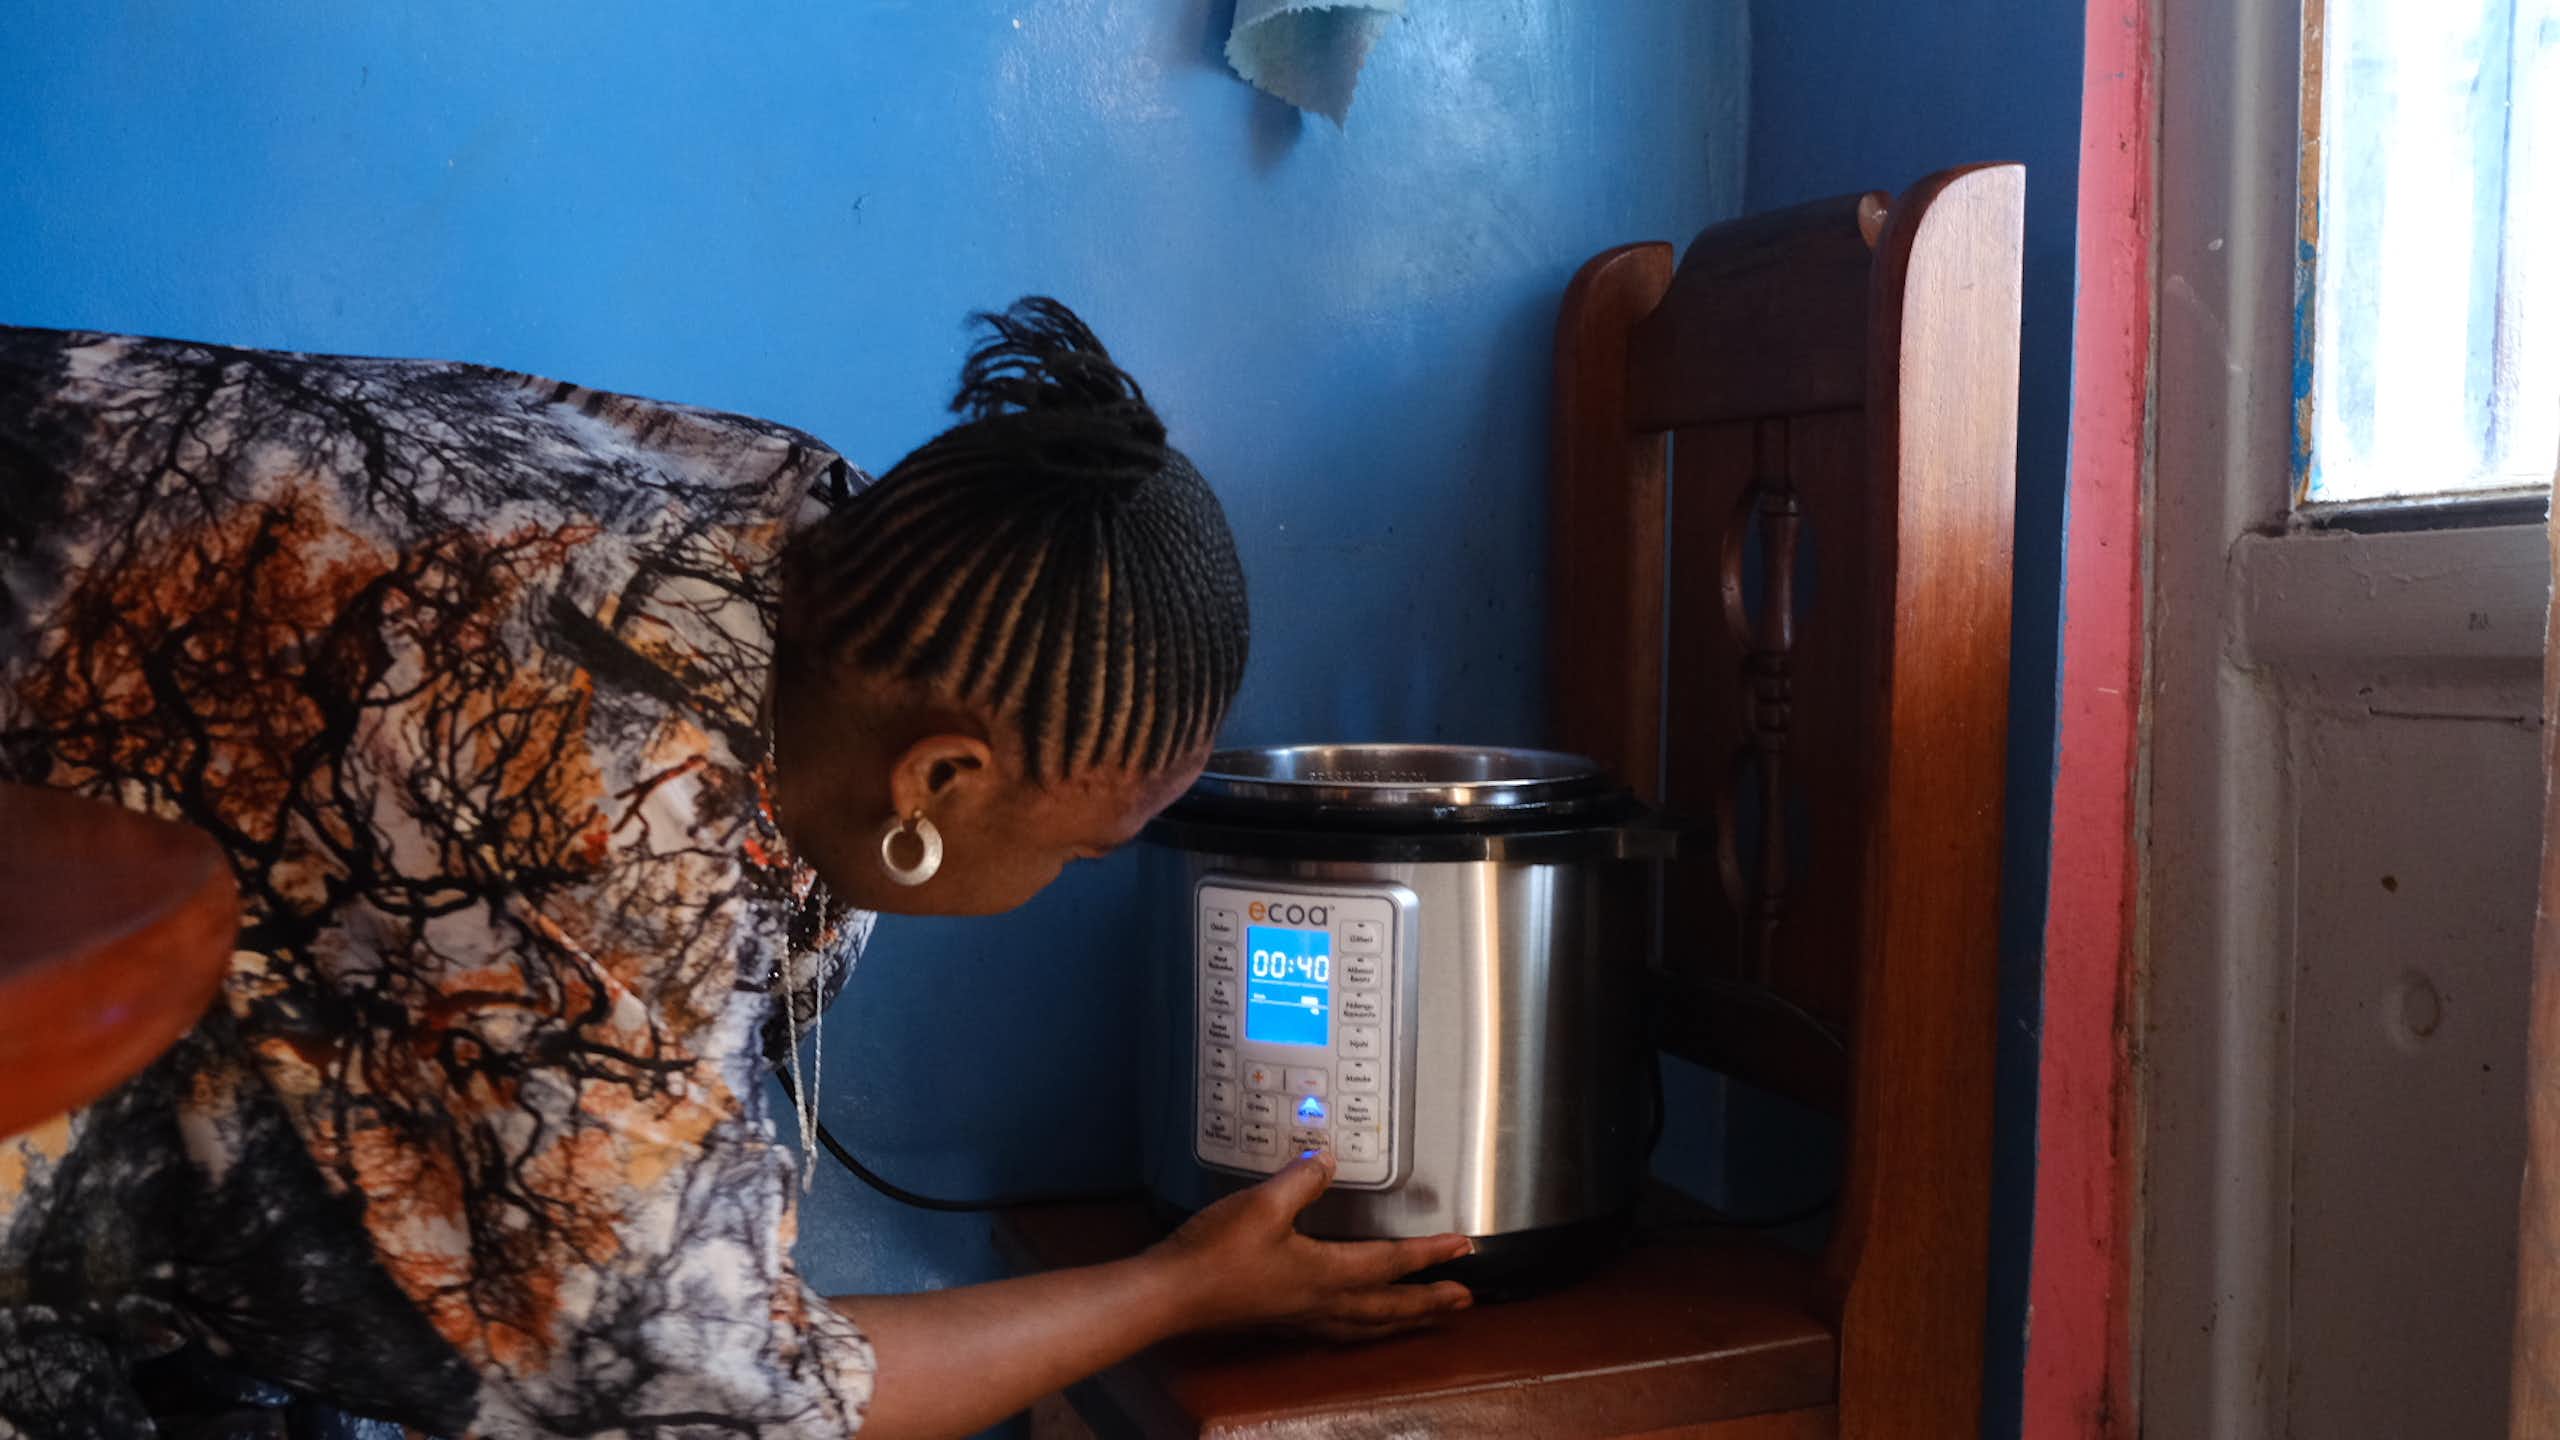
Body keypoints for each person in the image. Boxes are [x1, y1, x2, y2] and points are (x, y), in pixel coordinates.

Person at [0, 300, 1472, 1440]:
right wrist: (1183, 1287)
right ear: (940, 781)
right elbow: (721, 1400)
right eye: (1087, 848)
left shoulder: (803, 517)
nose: (1079, 875)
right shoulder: (604, 831)